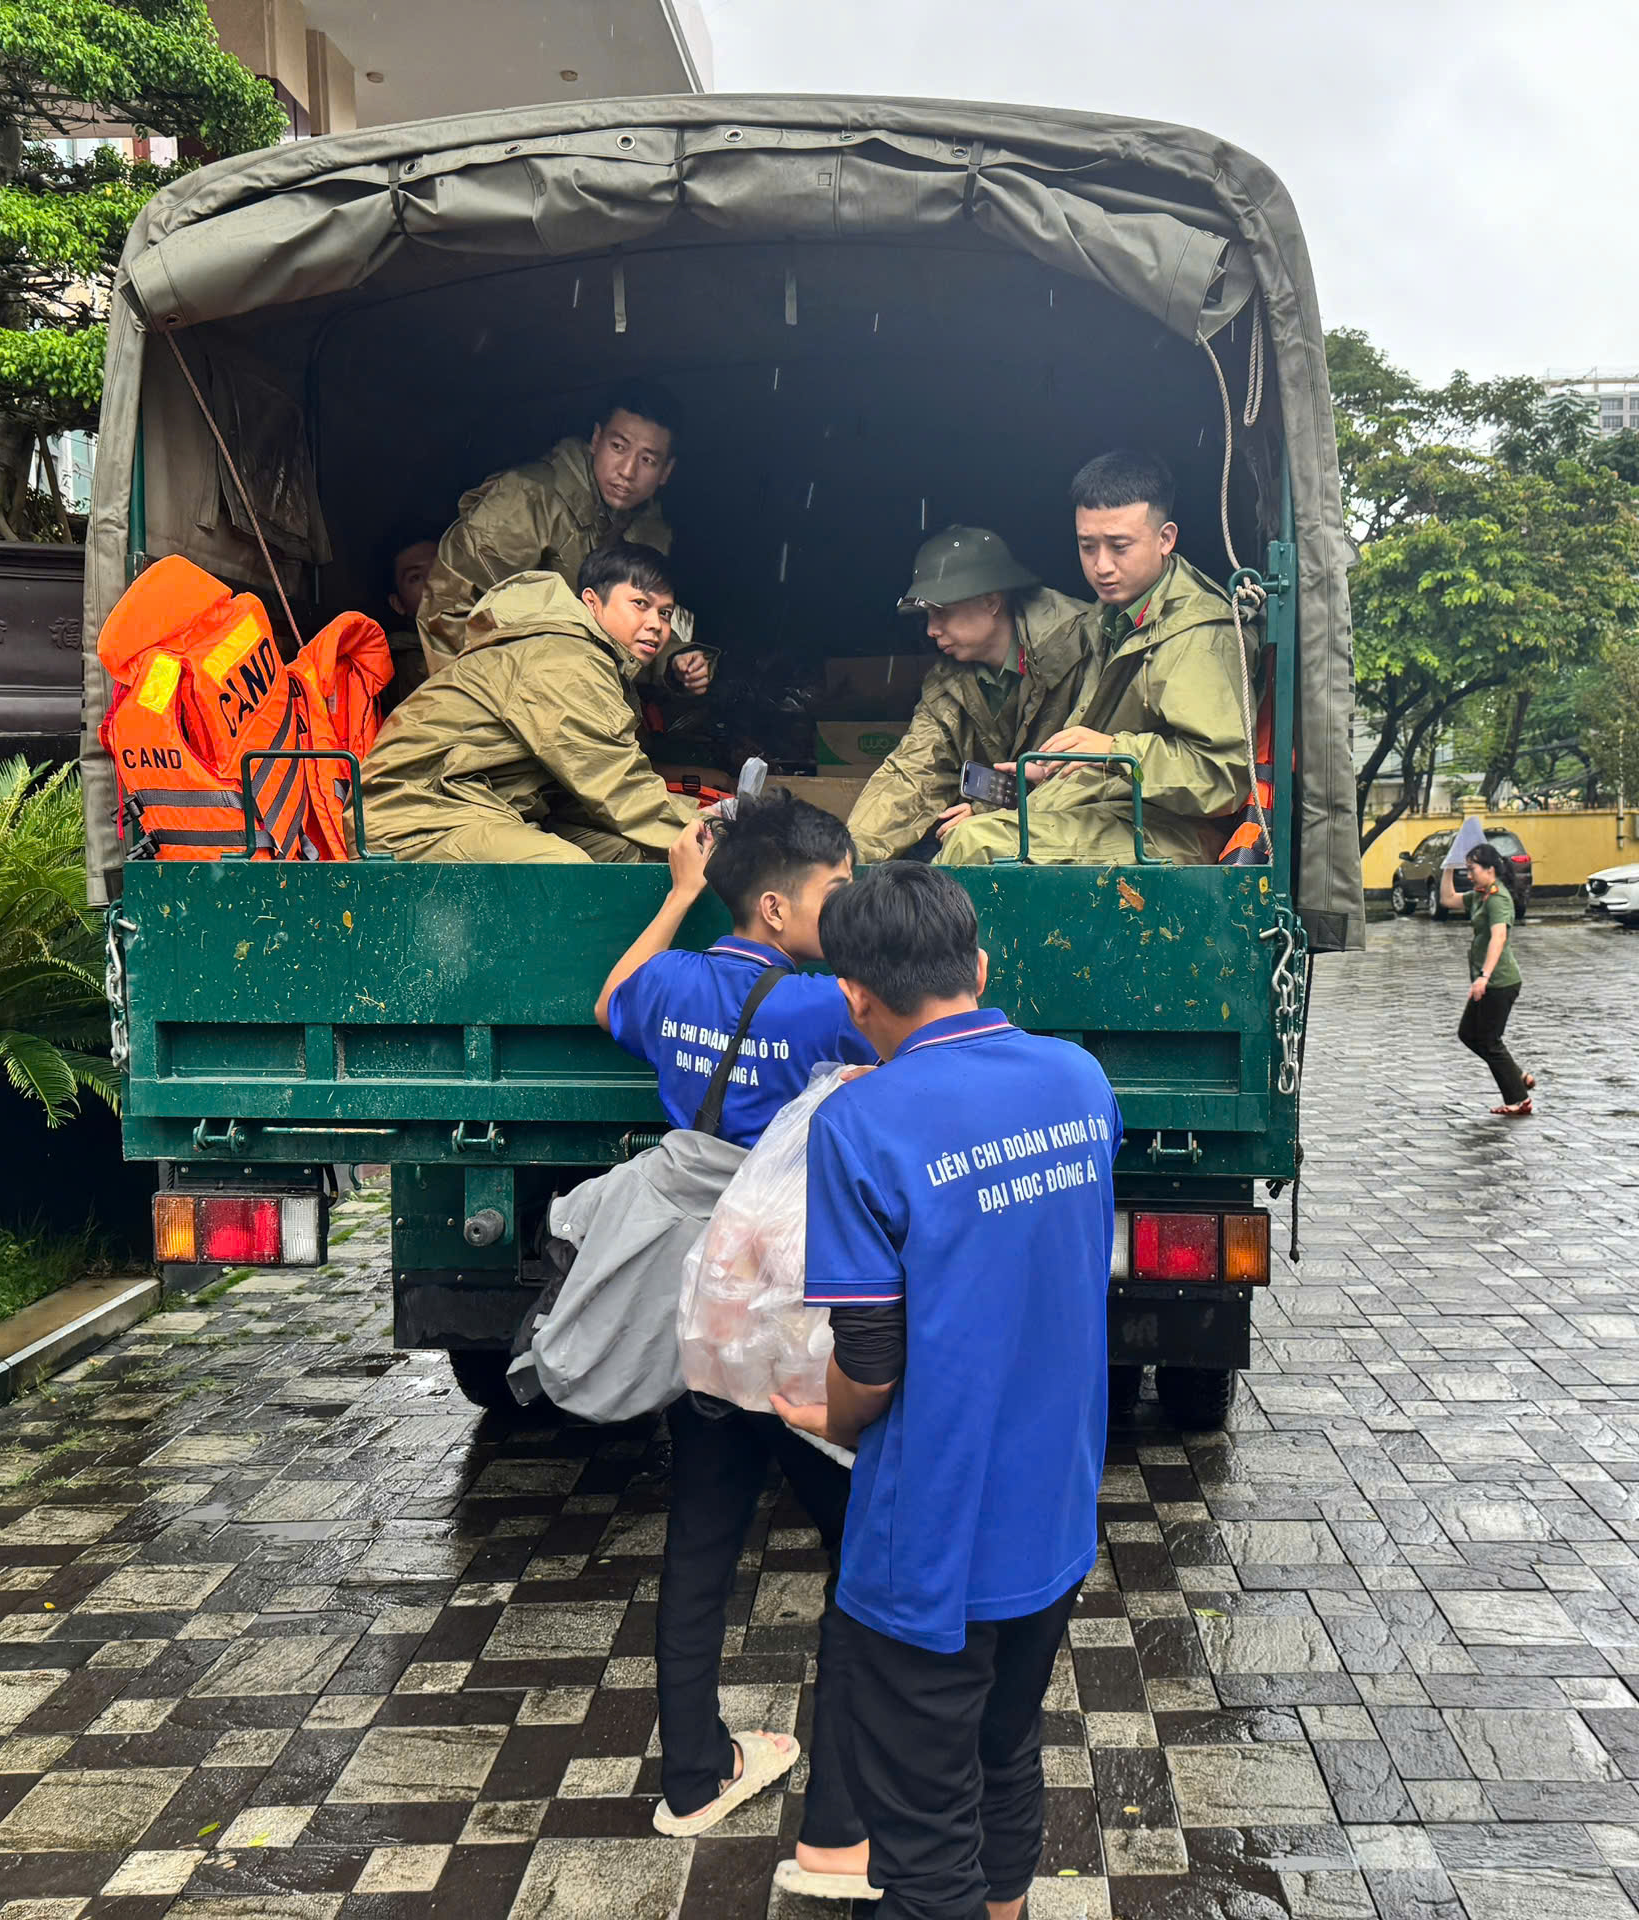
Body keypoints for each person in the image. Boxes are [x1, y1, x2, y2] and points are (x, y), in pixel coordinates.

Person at [773, 865, 1119, 1920]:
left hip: (931, 1538)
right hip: (1054, 1514)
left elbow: (870, 1360)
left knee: (922, 1828)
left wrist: (820, 1417)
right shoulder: (1079, 1081)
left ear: (853, 995)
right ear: (978, 965)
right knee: (1006, 1752)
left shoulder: (863, 1121)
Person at [592, 795, 881, 1898]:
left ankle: (694, 1774)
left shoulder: (666, 988)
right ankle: (848, 1815)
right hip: (793, 1300)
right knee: (863, 1539)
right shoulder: (823, 1009)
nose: (848, 909)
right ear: (775, 907)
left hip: (705, 1293)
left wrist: (673, 893)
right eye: (835, 894)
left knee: (702, 1535)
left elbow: (611, 996)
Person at [938, 450, 1251, 868]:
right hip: (1118, 808)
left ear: (1166, 538)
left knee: (973, 847)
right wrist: (1051, 770)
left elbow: (1221, 775)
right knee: (965, 831)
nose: (1102, 566)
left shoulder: (1198, 635)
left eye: (1119, 546)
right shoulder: (1114, 617)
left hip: (1177, 833)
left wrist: (1110, 752)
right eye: (1088, 546)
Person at [362, 543, 694, 864]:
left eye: (665, 613)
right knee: (563, 869)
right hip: (415, 814)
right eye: (640, 603)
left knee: (627, 854)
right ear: (592, 602)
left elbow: (586, 796)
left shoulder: (593, 660)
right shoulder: (564, 659)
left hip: (483, 808)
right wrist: (724, 835)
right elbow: (618, 787)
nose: (656, 624)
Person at [415, 375, 714, 697]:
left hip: (574, 700)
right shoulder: (527, 500)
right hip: (495, 695)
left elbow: (628, 628)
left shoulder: (650, 534)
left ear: (665, 472)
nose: (627, 472)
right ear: (596, 440)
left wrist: (674, 659)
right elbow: (450, 614)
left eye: (647, 460)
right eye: (618, 447)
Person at [845, 527, 1094, 864]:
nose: (931, 629)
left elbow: (1104, 768)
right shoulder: (949, 679)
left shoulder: (1082, 643)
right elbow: (913, 772)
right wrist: (848, 860)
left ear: (992, 601)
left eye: (941, 611)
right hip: (1009, 833)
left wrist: (993, 812)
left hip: (1084, 836)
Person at [1442, 841, 1534, 1117]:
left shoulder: (1498, 898)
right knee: (1469, 1033)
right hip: (1489, 982)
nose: (1469, 874)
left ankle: (1519, 1099)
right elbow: (1448, 899)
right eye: (1467, 868)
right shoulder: (1480, 896)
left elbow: (1499, 937)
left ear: (1490, 870)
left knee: (1490, 1040)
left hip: (1499, 981)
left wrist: (1484, 976)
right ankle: (1517, 1076)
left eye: (1472, 869)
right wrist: (1448, 868)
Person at [376, 539, 437, 716]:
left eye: (439, 569)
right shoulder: (403, 668)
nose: (432, 583)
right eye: (415, 577)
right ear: (398, 604)